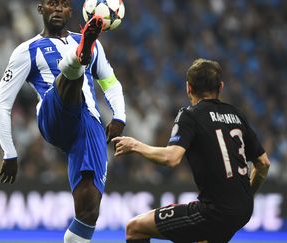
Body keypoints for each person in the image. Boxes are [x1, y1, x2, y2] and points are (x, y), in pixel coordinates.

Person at [0, 0, 126, 242]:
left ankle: (78, 60)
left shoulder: (95, 45)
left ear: (71, 11)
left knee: (88, 211)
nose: (57, 9)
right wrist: (9, 151)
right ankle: (77, 60)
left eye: (63, 4)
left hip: (89, 125)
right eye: (51, 4)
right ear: (40, 9)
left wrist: (119, 116)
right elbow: (1, 103)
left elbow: (110, 82)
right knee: (70, 83)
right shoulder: (27, 50)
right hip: (54, 114)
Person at [112, 59, 270, 243]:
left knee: (135, 228)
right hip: (244, 209)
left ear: (188, 87)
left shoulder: (190, 115)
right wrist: (247, 195)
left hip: (214, 211)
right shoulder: (236, 115)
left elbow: (171, 158)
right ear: (221, 86)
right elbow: (263, 163)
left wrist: (135, 145)